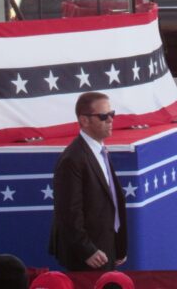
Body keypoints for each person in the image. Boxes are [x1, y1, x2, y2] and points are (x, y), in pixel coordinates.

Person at [49, 91, 127, 271]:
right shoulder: (73, 159)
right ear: (84, 120)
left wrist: (118, 246)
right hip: (88, 257)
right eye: (103, 116)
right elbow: (68, 212)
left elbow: (112, 200)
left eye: (111, 114)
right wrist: (87, 251)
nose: (110, 120)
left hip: (106, 248)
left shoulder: (99, 150)